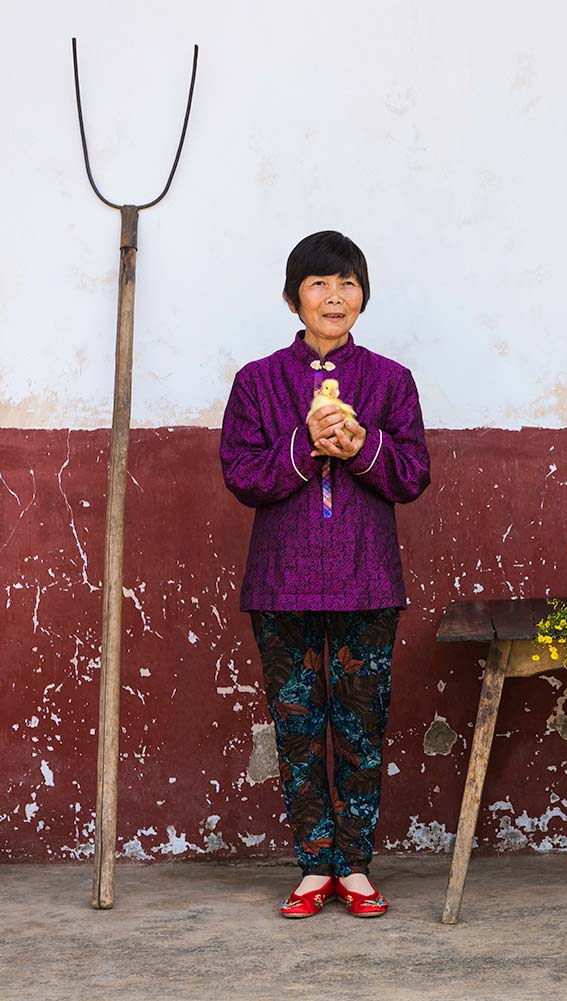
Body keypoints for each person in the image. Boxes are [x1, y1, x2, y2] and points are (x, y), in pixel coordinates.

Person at [220, 231, 431, 917]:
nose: (333, 296)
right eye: (318, 283)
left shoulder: (391, 380)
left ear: (363, 297)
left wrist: (363, 443)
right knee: (298, 728)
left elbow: (413, 474)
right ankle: (314, 865)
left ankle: (358, 865)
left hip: (367, 579)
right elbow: (243, 476)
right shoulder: (256, 382)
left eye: (346, 283)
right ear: (293, 297)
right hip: (281, 583)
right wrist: (306, 445)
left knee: (363, 727)